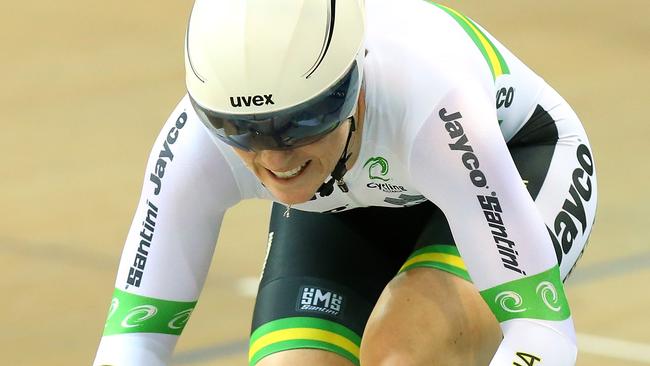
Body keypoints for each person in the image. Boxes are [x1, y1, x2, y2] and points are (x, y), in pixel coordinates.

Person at [93, 0, 598, 365]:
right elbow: (133, 341)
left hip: (518, 156)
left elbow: (542, 335)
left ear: (352, 84)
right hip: (350, 195)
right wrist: (287, 134)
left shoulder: (436, 108)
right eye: (240, 130)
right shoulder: (196, 146)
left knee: (405, 353)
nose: (274, 158)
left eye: (302, 122)